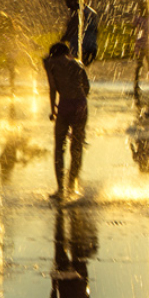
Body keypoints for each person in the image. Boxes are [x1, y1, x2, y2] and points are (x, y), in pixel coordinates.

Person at [44, 42, 91, 199]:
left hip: (64, 106)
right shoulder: (77, 64)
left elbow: (52, 87)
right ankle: (72, 185)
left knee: (59, 147)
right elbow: (87, 87)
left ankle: (60, 189)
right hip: (80, 105)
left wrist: (53, 110)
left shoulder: (51, 64)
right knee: (76, 147)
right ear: (66, 52)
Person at [60, 0, 99, 67]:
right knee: (80, 69)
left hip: (80, 49)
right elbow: (96, 32)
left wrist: (61, 42)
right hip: (92, 49)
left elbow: (71, 31)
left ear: (74, 0)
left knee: (69, 68)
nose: (67, 5)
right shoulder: (91, 12)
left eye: (68, 1)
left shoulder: (77, 13)